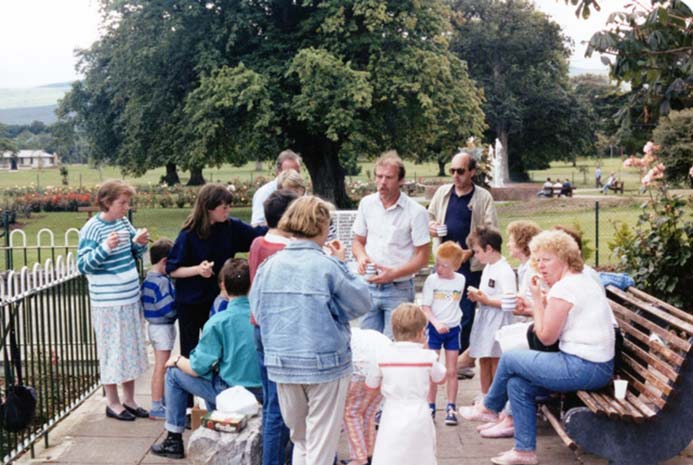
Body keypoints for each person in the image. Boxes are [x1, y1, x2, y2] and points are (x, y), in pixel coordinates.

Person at [460, 230, 615, 465]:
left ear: (564, 257)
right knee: (518, 384)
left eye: (547, 259)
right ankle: (524, 452)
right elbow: (558, 320)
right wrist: (537, 305)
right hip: (594, 365)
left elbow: (546, 338)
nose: (540, 266)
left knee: (511, 359)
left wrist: (536, 299)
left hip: (585, 367)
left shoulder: (565, 288)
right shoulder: (579, 279)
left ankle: (489, 407)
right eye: (538, 260)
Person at [251, 196, 372, 465]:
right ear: (320, 226)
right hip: (324, 363)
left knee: (301, 440)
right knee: (320, 444)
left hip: (283, 362)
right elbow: (362, 302)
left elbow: (259, 313)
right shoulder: (327, 266)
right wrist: (341, 263)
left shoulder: (268, 267)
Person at [166, 183, 266, 360]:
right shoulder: (189, 234)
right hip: (191, 302)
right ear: (209, 208)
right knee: (190, 351)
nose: (228, 211)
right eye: (224, 207)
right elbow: (173, 270)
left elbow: (257, 235)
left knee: (219, 348)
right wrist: (198, 269)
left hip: (217, 298)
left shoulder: (230, 227)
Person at [77, 180, 150, 421]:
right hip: (108, 302)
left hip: (129, 297)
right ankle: (113, 402)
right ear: (107, 203)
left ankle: (129, 400)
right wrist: (105, 248)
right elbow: (84, 265)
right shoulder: (92, 229)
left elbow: (132, 253)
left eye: (127, 202)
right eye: (122, 203)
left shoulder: (123, 222)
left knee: (129, 349)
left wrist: (138, 243)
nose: (126, 207)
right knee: (111, 350)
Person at [427, 150, 498, 378]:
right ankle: (442, 359)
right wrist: (432, 227)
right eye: (452, 171)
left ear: (472, 172)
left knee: (465, 312)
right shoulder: (442, 193)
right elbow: (428, 217)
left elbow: (490, 230)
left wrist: (470, 252)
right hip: (444, 262)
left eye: (460, 171)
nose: (455, 175)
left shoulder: (482, 197)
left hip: (469, 264)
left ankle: (461, 364)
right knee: (440, 309)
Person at [352, 150, 430, 339]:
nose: (382, 182)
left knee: (395, 347)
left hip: (399, 288)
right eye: (379, 176)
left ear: (401, 180)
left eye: (389, 177)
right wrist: (362, 257)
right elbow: (357, 241)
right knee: (366, 345)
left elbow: (423, 256)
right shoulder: (367, 204)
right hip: (369, 286)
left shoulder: (416, 212)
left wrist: (393, 274)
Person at [475, 221, 541, 439]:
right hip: (528, 324)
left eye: (512, 240)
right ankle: (499, 411)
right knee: (504, 357)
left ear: (522, 243)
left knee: (508, 358)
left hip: (532, 327)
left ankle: (498, 412)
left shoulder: (529, 269)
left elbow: (525, 304)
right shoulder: (523, 269)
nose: (509, 244)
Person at [248, 189, 298, 465]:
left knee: (270, 403)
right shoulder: (286, 251)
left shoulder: (258, 244)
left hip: (259, 327)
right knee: (280, 406)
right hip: (280, 332)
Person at [366, 303, 446, 465]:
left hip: (391, 411)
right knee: (420, 455)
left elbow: (371, 386)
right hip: (419, 413)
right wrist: (427, 348)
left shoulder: (382, 356)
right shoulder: (427, 357)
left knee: (389, 453)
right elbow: (441, 378)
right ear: (421, 332)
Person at [463, 226, 516, 401]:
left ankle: (496, 398)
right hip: (485, 318)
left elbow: (510, 302)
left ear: (489, 249)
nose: (475, 256)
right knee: (484, 357)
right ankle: (485, 395)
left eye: (477, 252)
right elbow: (487, 293)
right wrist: (478, 296)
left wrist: (487, 301)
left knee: (495, 359)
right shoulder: (489, 267)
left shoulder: (504, 270)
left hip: (499, 320)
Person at [421, 241, 465, 426]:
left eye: (444, 266)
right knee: (432, 368)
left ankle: (451, 406)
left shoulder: (460, 280)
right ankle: (430, 405)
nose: (439, 268)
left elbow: (455, 303)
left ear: (455, 266)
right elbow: (425, 307)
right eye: (437, 264)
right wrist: (436, 323)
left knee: (452, 370)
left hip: (453, 328)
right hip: (435, 328)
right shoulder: (432, 280)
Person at [342, 328, 391, 465]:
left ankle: (359, 458)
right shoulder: (361, 333)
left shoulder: (342, 335)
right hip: (384, 369)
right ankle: (368, 453)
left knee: (351, 413)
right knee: (368, 414)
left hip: (363, 368)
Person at [141, 238, 177, 420]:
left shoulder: (149, 278)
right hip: (162, 328)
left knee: (160, 366)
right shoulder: (162, 282)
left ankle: (160, 401)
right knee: (161, 367)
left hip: (154, 327)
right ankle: (156, 405)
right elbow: (167, 309)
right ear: (165, 261)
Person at [251, 150, 302, 226]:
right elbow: (256, 225)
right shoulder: (265, 193)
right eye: (289, 171)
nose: (294, 175)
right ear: (278, 171)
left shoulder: (301, 191)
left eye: (297, 172)